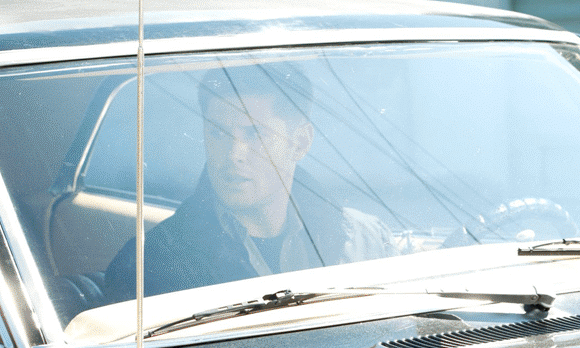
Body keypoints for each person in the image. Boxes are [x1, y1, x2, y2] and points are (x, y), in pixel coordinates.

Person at [102, 66, 391, 302]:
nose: (233, 154)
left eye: (254, 133)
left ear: (300, 142)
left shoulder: (367, 242)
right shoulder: (150, 265)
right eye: (217, 133)